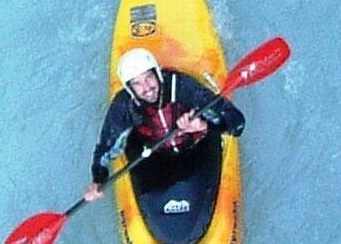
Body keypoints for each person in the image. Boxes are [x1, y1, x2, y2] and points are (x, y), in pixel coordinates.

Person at [83, 48, 245, 202]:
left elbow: (237, 123)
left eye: (149, 77)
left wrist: (204, 125)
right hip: (156, 157)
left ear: (158, 74)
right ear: (130, 89)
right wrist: (98, 180)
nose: (147, 88)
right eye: (137, 84)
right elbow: (105, 147)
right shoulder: (125, 106)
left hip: (197, 148)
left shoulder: (183, 87)